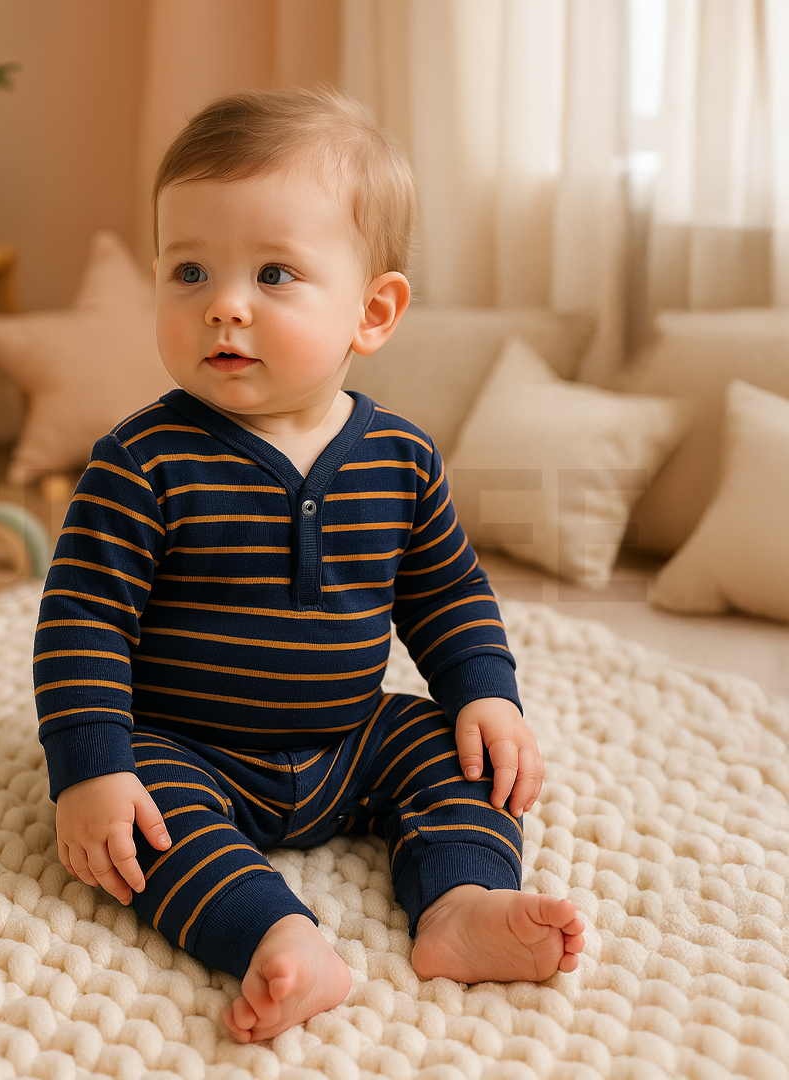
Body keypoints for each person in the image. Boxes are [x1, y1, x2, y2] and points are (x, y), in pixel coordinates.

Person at [34, 87, 585, 1044]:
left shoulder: (401, 458)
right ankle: (279, 936)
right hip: (190, 743)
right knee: (144, 823)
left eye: (275, 274)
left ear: (372, 312)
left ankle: (457, 907)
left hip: (348, 739)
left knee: (458, 757)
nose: (225, 306)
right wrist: (90, 767)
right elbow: (83, 618)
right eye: (190, 271)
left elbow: (447, 590)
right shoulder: (141, 461)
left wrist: (485, 694)